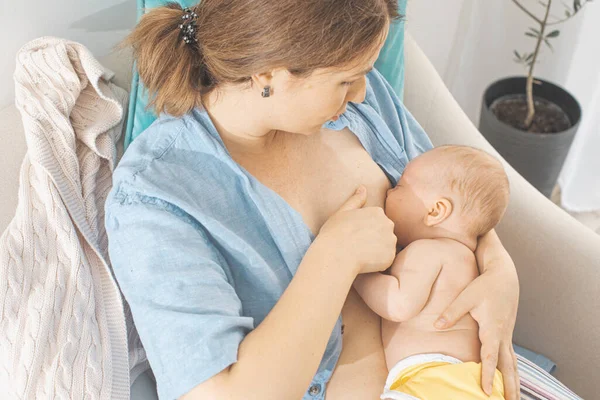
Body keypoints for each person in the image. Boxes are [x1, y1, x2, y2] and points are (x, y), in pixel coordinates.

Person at [105, 1, 520, 399]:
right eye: (346, 80)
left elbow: (452, 196)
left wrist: (500, 269)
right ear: (269, 73)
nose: (361, 92)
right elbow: (220, 393)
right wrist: (334, 258)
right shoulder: (158, 196)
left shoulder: (358, 101)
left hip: (461, 379)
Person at [353, 145, 510, 399]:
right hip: (473, 380)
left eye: (400, 186)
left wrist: (358, 273)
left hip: (433, 379)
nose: (389, 191)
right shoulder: (469, 260)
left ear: (436, 211)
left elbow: (400, 304)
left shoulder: (428, 251)